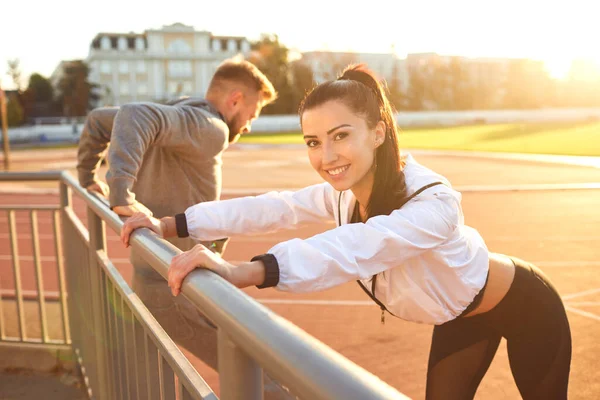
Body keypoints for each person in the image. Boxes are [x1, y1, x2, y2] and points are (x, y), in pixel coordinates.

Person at [120, 64, 572, 399]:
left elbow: (353, 248)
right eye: (314, 142)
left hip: (526, 307)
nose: (326, 156)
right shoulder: (343, 192)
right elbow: (276, 207)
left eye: (341, 136)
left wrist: (242, 271)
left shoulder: (435, 203)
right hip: (459, 317)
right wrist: (167, 223)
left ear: (377, 132)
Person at [77, 58, 294, 399]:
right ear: (235, 100)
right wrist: (119, 193)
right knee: (258, 371)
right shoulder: (212, 127)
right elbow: (135, 114)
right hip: (176, 287)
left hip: (164, 277)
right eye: (252, 114)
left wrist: (88, 178)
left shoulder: (178, 116)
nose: (249, 125)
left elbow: (98, 120)